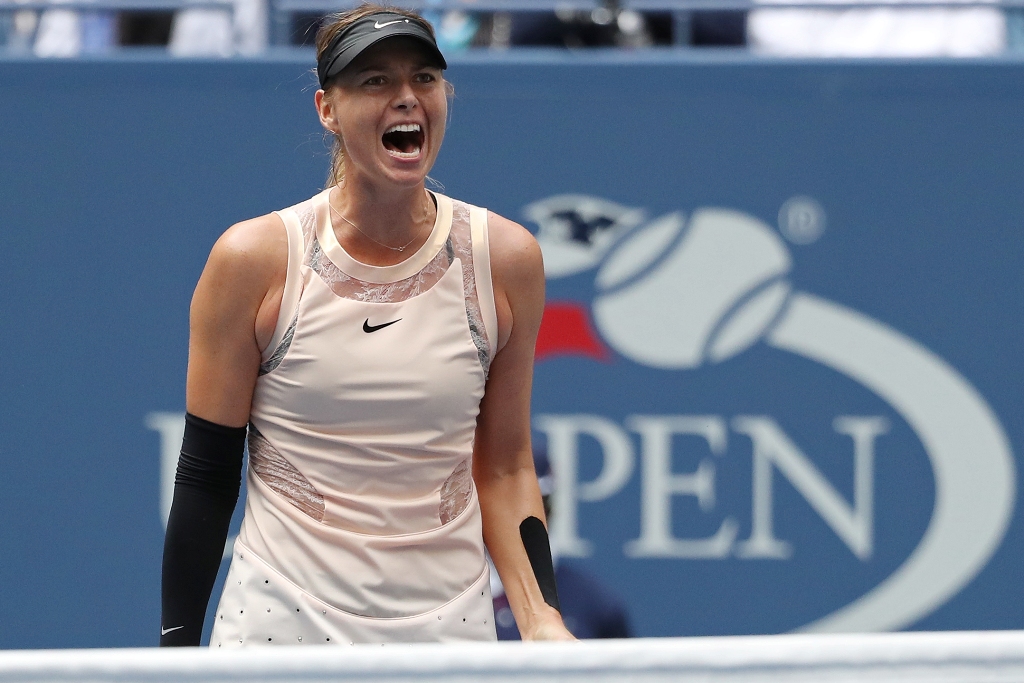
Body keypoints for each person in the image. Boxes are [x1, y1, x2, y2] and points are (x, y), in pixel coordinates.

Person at [160, 3, 573, 647]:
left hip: (449, 634)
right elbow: (207, 475)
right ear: (327, 109)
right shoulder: (253, 260)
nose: (406, 98)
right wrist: (176, 651)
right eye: (375, 81)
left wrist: (541, 620)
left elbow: (505, 465)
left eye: (424, 79)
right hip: (278, 629)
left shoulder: (507, 258)